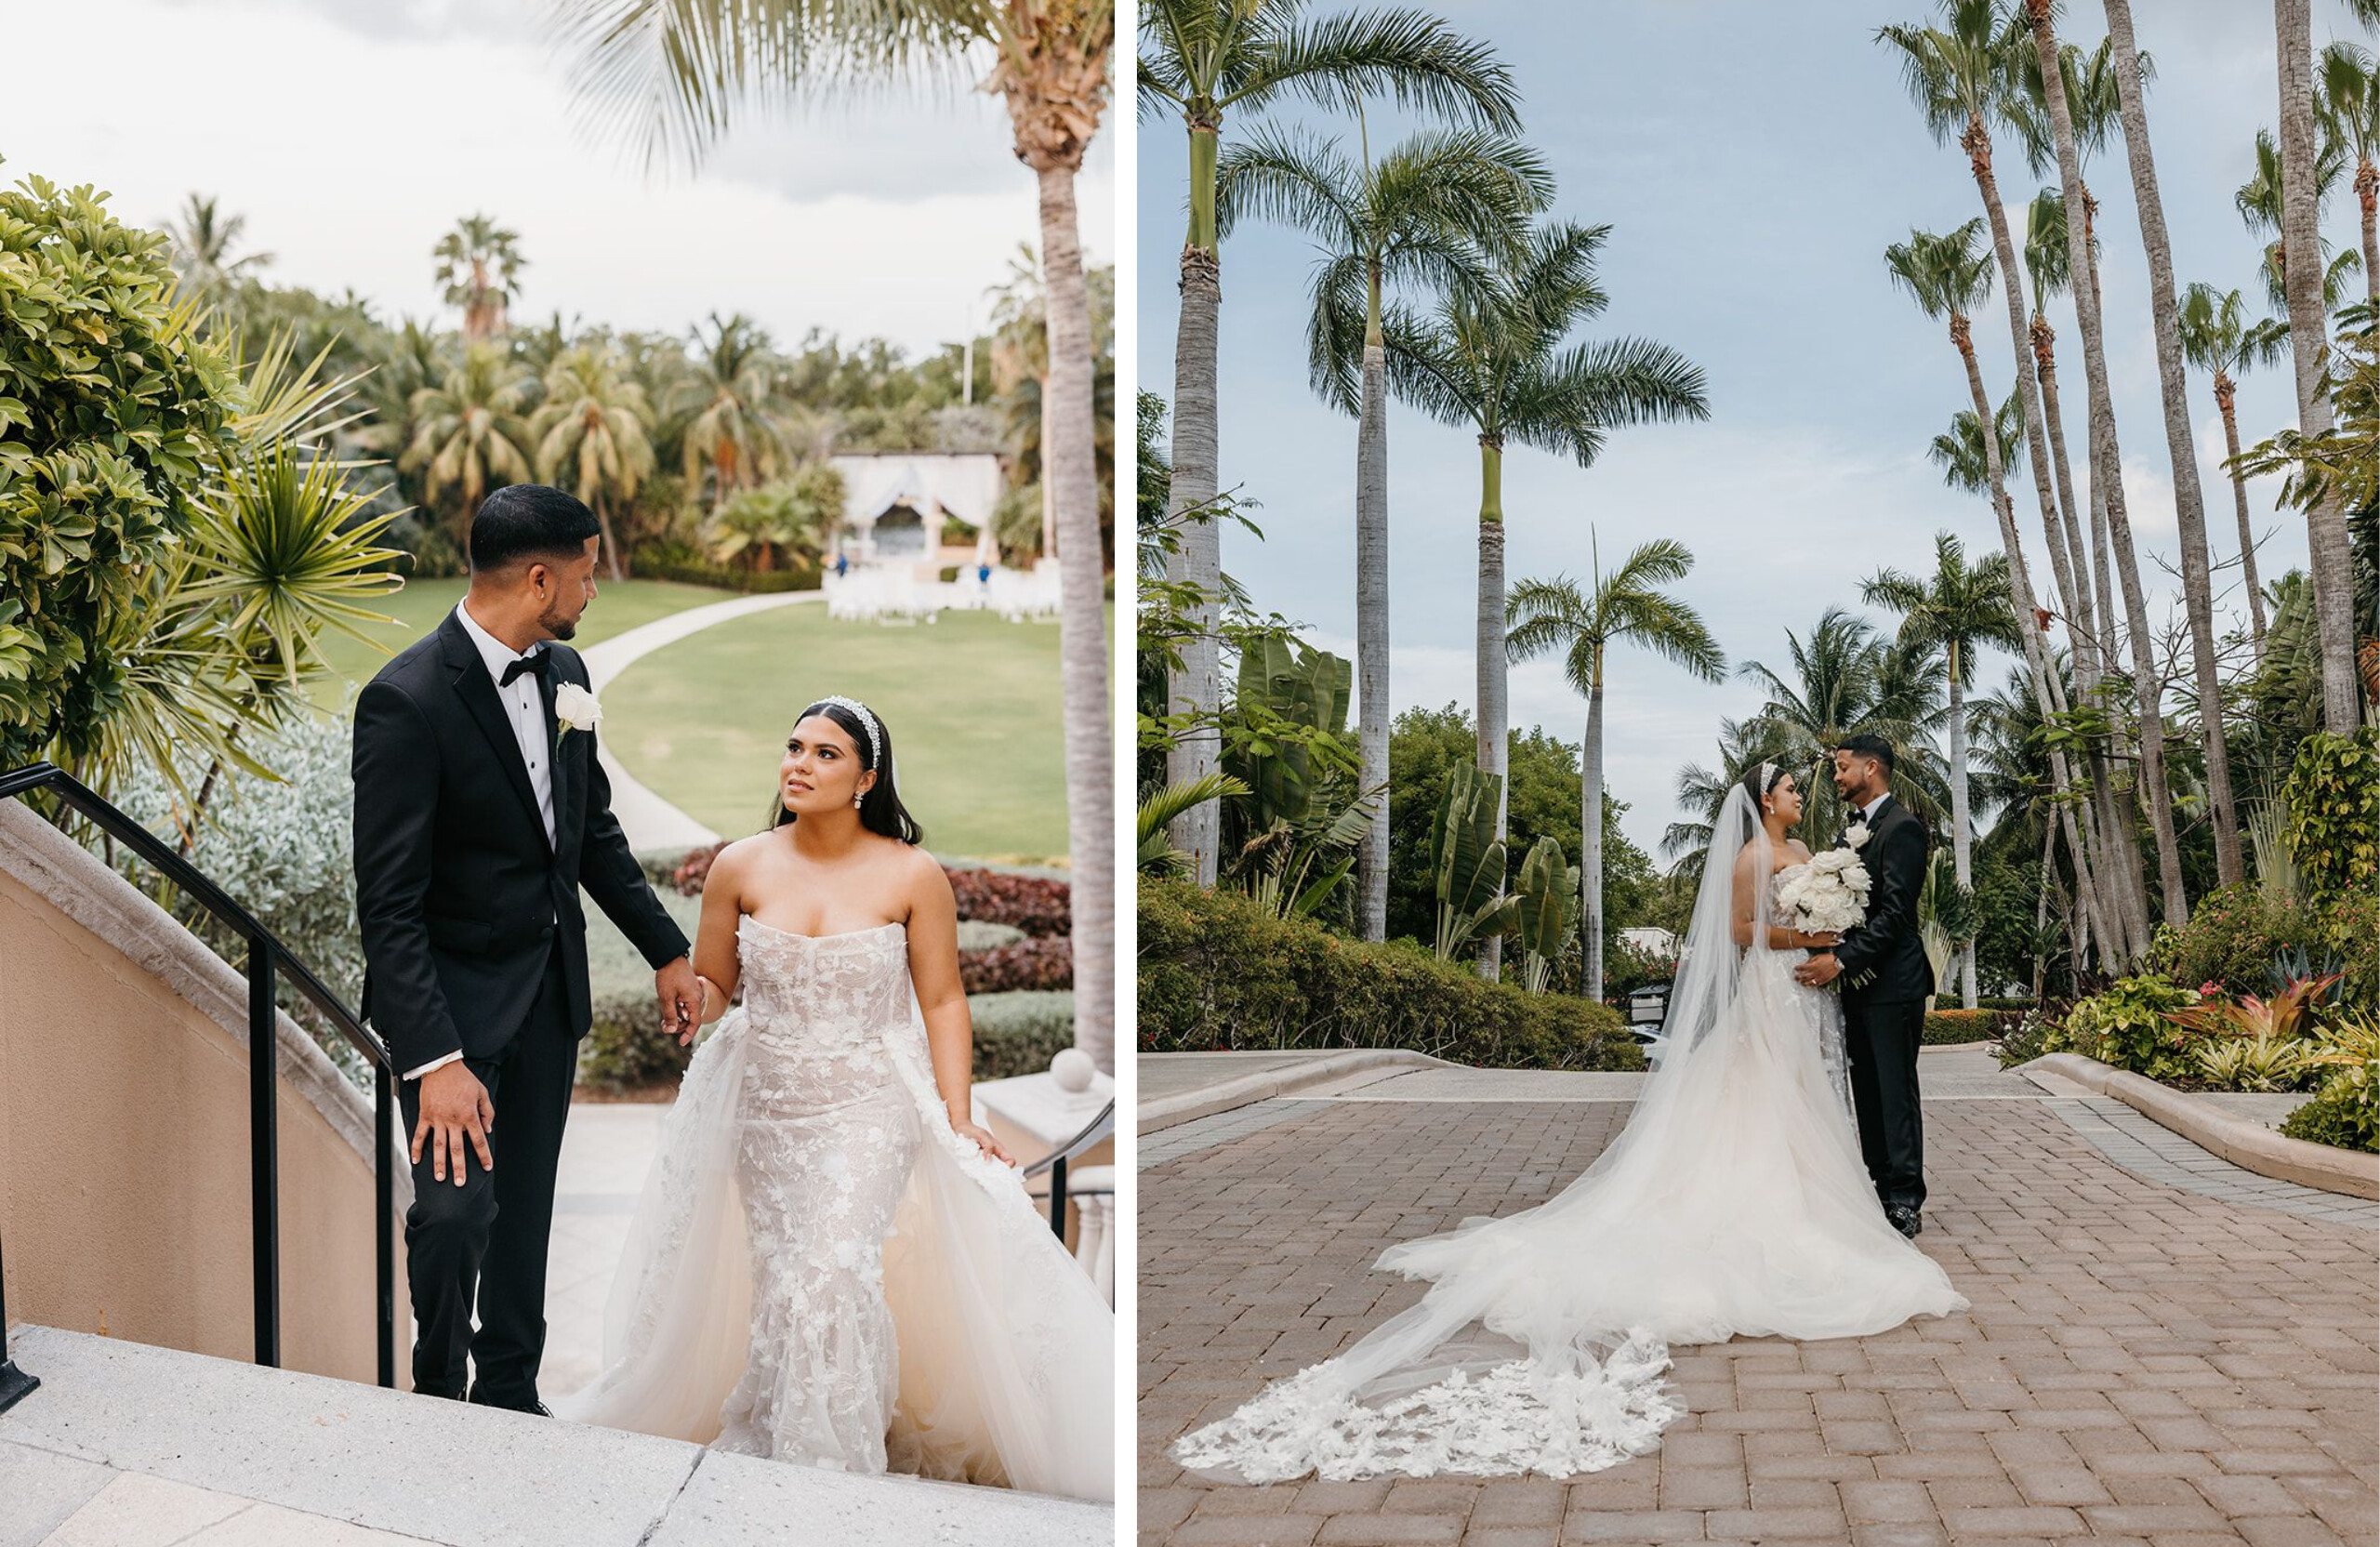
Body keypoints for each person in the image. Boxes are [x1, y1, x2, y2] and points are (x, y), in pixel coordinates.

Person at [1171, 760, 1966, 1483]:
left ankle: (1828, 1194)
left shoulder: (1812, 851)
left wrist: (1833, 934)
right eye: (1790, 786)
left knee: (1809, 1098)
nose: (1802, 793)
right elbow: (1737, 933)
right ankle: (1785, 1206)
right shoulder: (1753, 858)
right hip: (1778, 984)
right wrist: (1809, 935)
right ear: (1766, 801)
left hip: (1811, 992)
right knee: (1766, 1099)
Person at [559, 697, 1113, 1502]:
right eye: (795, 747)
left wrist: (958, 1115)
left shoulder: (912, 874)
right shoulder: (739, 866)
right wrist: (689, 998)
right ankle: (782, 1430)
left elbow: (943, 1001)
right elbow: (717, 986)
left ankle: (832, 1468)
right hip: (767, 1103)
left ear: (866, 779)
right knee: (783, 1275)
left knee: (833, 1271)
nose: (800, 764)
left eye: (826, 753)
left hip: (871, 1100)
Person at [351, 484, 701, 1414]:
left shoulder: (565, 671)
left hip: (548, 997)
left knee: (525, 1216)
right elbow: (389, 905)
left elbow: (588, 833)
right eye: (587, 574)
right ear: (540, 579)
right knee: (454, 1213)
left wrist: (665, 948)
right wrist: (435, 1059)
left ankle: (511, 1394)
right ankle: (435, 1394)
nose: (594, 591)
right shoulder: (405, 700)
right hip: (452, 1015)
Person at [1792, 734, 1936, 1236]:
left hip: (1895, 983)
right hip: (1856, 984)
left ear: (1870, 768)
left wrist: (1840, 960)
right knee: (1867, 1092)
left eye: (1841, 767)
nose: (1835, 776)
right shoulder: (1848, 833)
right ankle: (1877, 1188)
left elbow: (1895, 914)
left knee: (1895, 1092)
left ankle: (1905, 1197)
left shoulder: (1903, 828)